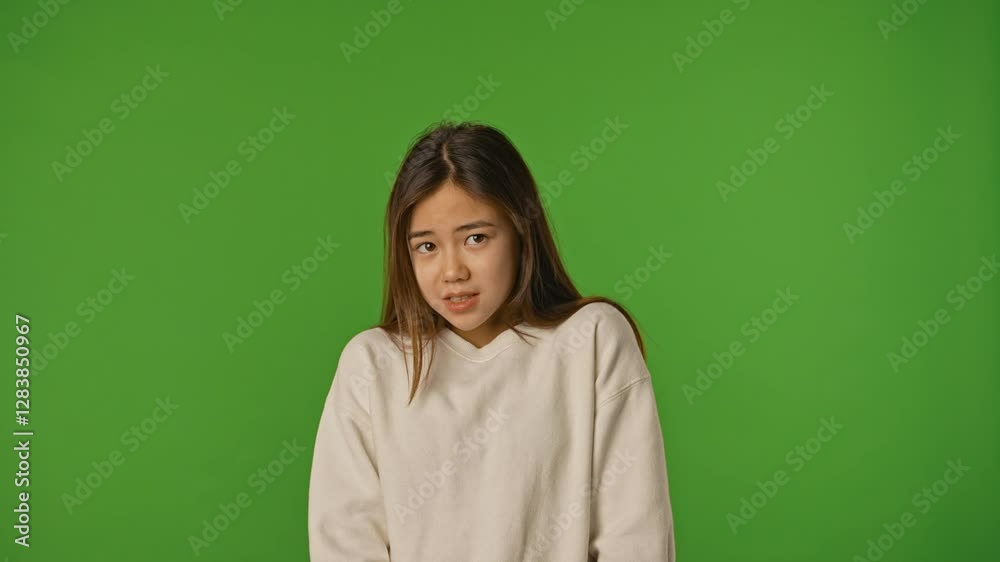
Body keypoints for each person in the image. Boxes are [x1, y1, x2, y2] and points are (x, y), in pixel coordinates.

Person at [307, 121, 676, 561]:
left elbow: (634, 536)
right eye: (426, 246)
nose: (452, 270)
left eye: (476, 238)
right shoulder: (372, 364)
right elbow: (345, 542)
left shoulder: (591, 340)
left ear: (521, 231)